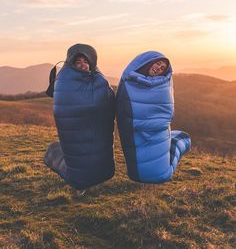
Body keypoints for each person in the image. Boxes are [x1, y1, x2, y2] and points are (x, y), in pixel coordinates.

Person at [45, 43, 115, 197]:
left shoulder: (99, 79)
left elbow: (109, 101)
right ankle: (57, 158)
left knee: (97, 161)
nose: (83, 65)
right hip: (77, 136)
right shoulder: (65, 81)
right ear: (72, 64)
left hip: (97, 136)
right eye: (78, 62)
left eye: (86, 61)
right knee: (80, 165)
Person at [116, 51, 191, 183]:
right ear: (148, 62)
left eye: (162, 68)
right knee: (161, 173)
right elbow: (124, 112)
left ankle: (179, 140)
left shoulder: (162, 86)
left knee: (161, 174)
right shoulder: (129, 82)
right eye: (158, 63)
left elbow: (167, 112)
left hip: (157, 134)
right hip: (137, 136)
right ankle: (178, 139)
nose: (158, 68)